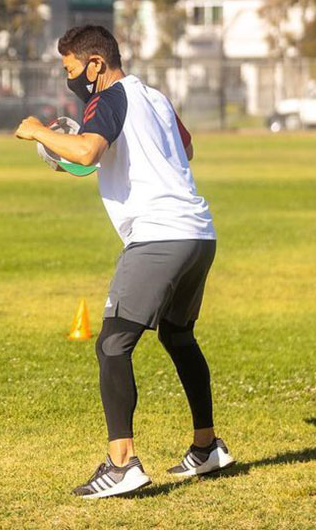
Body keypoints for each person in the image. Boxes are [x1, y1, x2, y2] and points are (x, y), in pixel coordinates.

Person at [15, 25, 232, 498]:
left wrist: (37, 133)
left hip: (159, 237)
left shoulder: (108, 96)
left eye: (71, 69)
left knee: (113, 345)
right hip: (199, 233)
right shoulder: (154, 97)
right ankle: (207, 446)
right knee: (177, 335)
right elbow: (185, 148)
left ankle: (121, 465)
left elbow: (89, 150)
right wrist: (83, 156)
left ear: (96, 65)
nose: (69, 78)